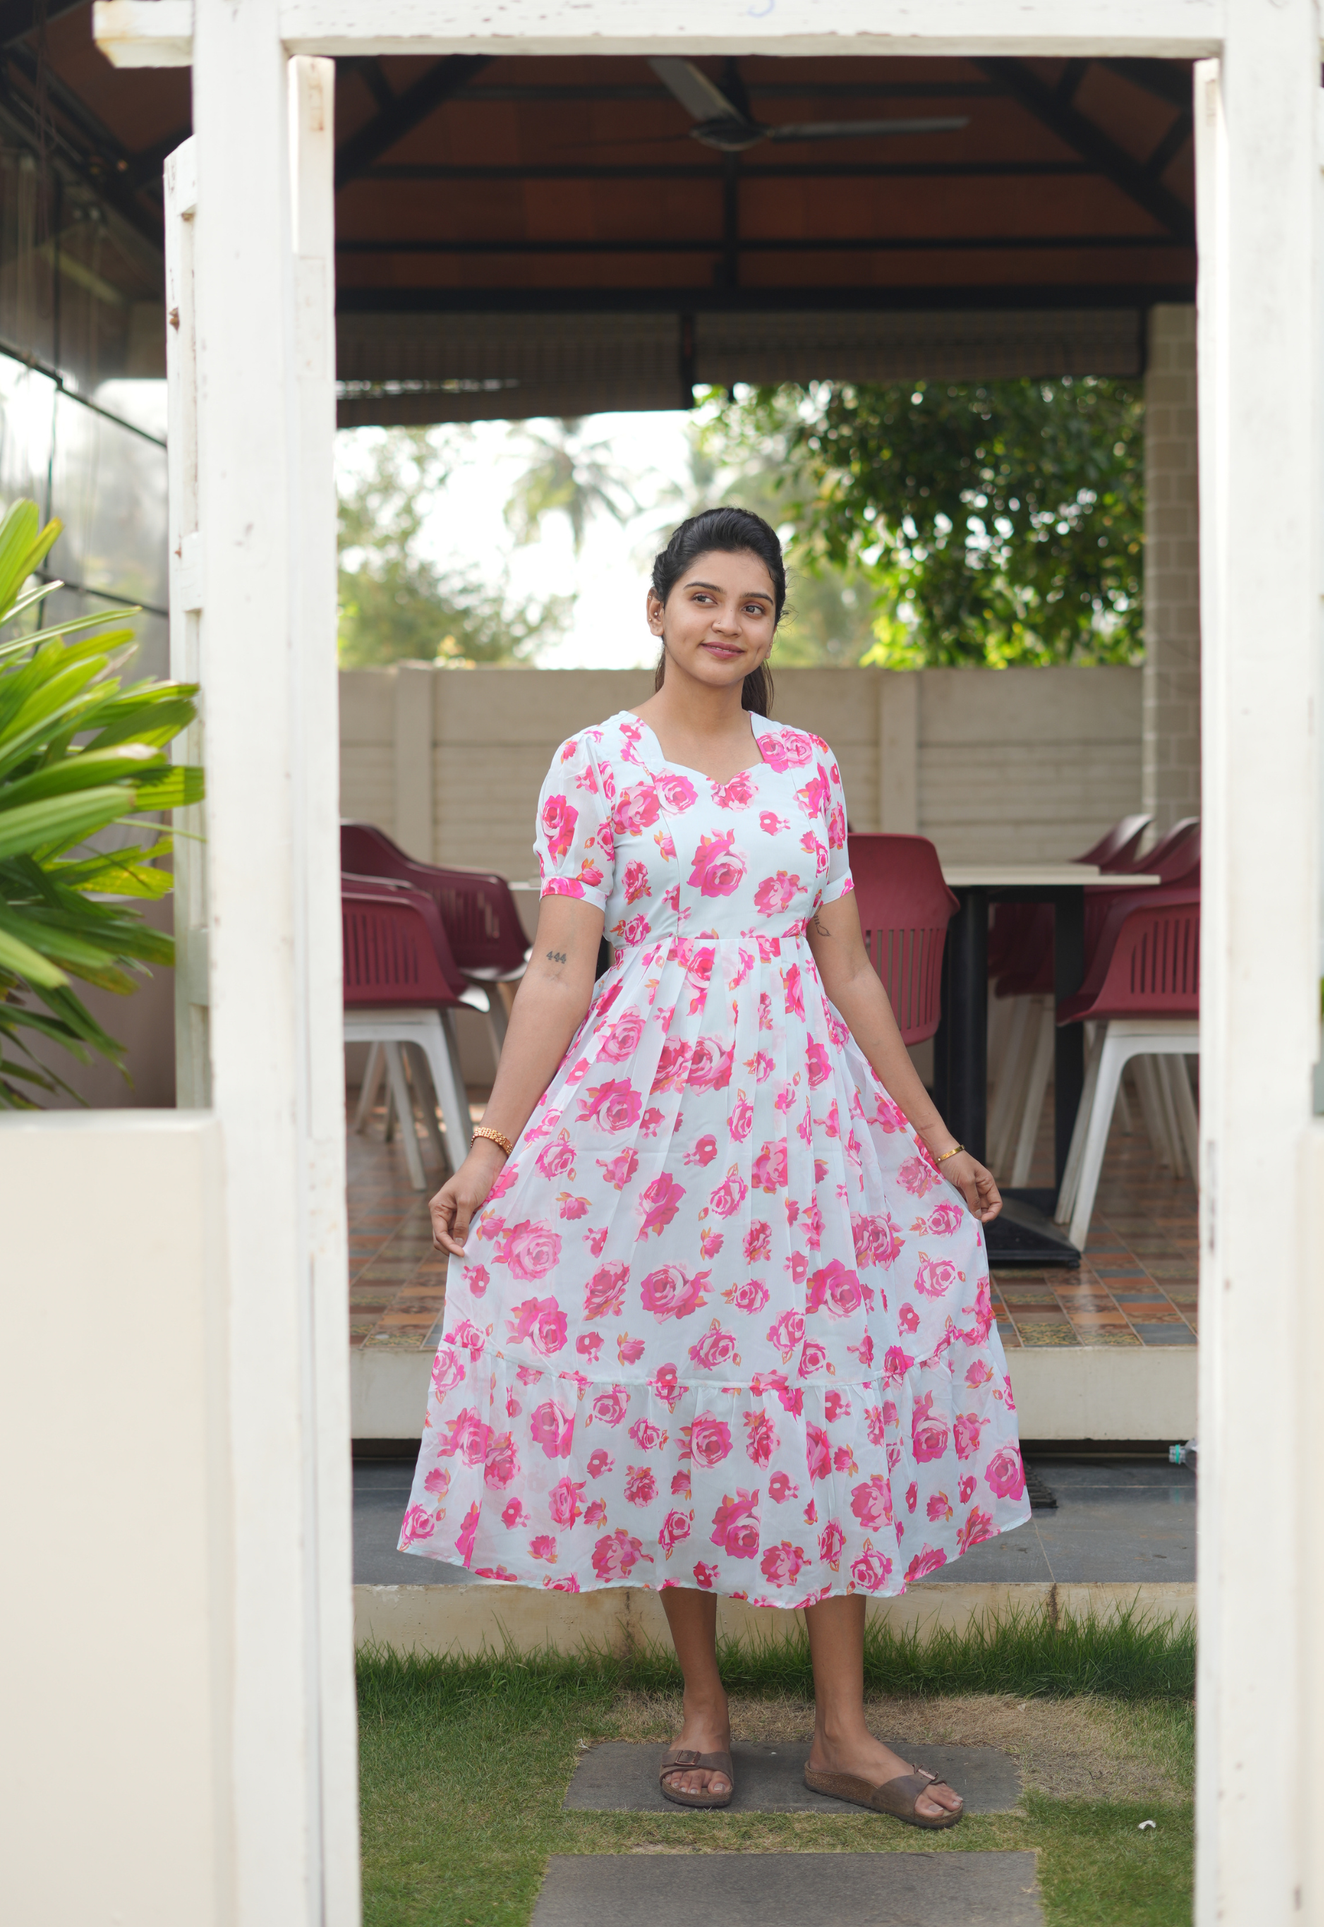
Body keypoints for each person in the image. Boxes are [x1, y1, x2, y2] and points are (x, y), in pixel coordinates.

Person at [400, 506, 1030, 1827]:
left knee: (823, 1376)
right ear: (657, 609)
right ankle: (703, 1707)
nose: (727, 622)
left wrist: (935, 1134)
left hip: (804, 1126)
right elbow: (562, 965)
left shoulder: (807, 765)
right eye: (704, 596)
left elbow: (848, 963)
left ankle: (844, 1731)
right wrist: (495, 1146)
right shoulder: (596, 764)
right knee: (680, 1381)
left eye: (752, 603)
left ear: (771, 624)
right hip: (655, 1133)